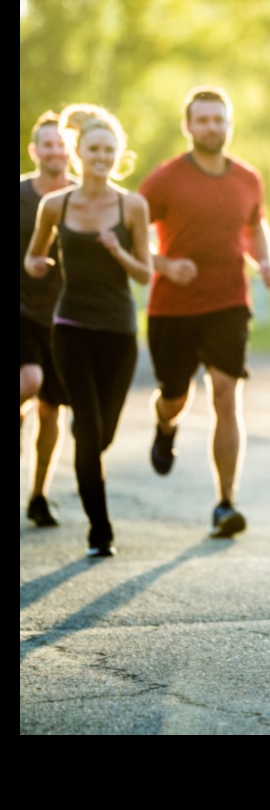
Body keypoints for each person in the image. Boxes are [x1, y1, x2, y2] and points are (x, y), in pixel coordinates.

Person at [138, 86, 270, 539]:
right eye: (203, 120)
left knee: (225, 392)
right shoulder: (164, 180)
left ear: (228, 124)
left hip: (228, 302)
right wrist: (163, 264)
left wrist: (267, 261)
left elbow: (255, 228)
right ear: (188, 127)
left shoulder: (247, 179)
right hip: (172, 307)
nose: (212, 127)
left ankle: (225, 502)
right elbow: (130, 235)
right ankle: (165, 421)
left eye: (219, 119)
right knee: (176, 395)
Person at [25, 106, 152, 557]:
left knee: (101, 434)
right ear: (78, 152)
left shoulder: (131, 205)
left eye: (109, 150)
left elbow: (144, 275)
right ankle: (100, 531)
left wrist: (118, 250)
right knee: (87, 434)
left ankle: (90, 436)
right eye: (93, 148)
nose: (101, 156)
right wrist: (36, 265)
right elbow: (32, 256)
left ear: (118, 155)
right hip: (70, 327)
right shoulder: (55, 205)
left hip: (118, 332)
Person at [20, 111, 75, 529]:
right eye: (48, 145)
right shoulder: (20, 195)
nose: (55, 151)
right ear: (34, 151)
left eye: (61, 144)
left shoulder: (82, 197)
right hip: (21, 310)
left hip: (64, 316)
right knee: (30, 383)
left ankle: (38, 494)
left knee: (51, 411)